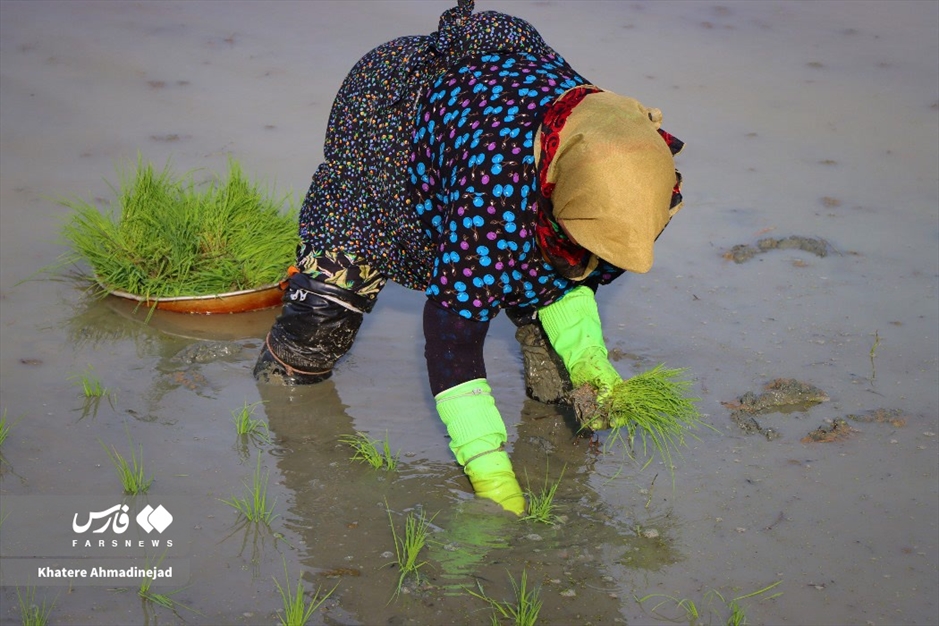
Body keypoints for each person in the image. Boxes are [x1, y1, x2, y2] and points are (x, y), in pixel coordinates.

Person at [254, 0, 684, 515]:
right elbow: (451, 337)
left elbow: (576, 274)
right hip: (392, 121)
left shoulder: (624, 153)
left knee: (555, 357)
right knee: (328, 305)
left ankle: (555, 447)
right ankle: (286, 393)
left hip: (498, 148)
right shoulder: (494, 198)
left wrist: (591, 362)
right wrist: (486, 465)